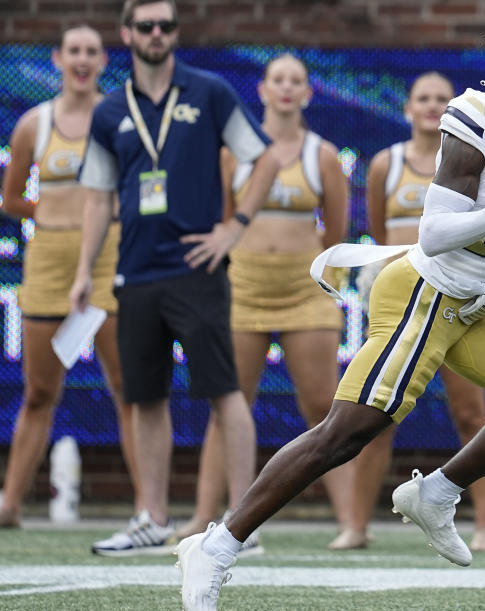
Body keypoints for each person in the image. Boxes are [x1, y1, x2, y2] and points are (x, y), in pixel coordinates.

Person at [176, 10, 485, 611]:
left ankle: (436, 492)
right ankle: (216, 545)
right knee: (345, 433)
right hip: (423, 290)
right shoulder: (478, 115)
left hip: (472, 301)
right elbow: (433, 235)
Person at [69, 0, 280, 556]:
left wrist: (232, 228)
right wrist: (84, 270)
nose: (156, 33)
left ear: (175, 34)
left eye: (165, 25)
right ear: (127, 34)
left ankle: (243, 521)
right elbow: (96, 199)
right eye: (146, 25)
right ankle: (152, 518)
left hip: (197, 267)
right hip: (136, 270)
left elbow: (265, 160)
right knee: (144, 397)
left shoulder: (208, 92)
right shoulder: (110, 109)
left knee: (225, 390)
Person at [172, 53, 349, 548]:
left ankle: (351, 523)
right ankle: (206, 517)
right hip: (244, 288)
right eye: (278, 80)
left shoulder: (324, 155)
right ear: (263, 91)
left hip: (304, 292)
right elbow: (225, 224)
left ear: (308, 94)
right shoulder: (234, 154)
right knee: (228, 403)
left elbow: (335, 236)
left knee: (326, 407)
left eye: (297, 80)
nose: (287, 88)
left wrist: (324, 284)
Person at [331, 71, 485, 553]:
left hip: (457, 297)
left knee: (471, 413)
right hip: (404, 299)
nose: (431, 106)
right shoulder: (386, 163)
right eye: (422, 98)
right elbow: (382, 234)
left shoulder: (479, 159)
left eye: (440, 99)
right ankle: (356, 526)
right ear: (408, 108)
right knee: (375, 414)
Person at [0, 25, 139, 528]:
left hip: (109, 257)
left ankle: (149, 510)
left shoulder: (120, 119)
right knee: (39, 391)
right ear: (58, 59)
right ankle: (10, 503)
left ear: (104, 61)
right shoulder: (33, 124)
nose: (82, 60)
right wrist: (54, 209)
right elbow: (11, 199)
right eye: (73, 51)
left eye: (91, 52)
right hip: (49, 260)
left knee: (127, 386)